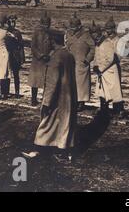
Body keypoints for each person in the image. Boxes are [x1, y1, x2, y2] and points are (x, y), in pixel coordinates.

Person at [23, 29, 78, 162]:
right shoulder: (69, 55)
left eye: (48, 40)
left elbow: (52, 82)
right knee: (65, 124)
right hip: (69, 97)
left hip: (57, 98)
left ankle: (38, 149)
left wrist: (46, 101)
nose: (47, 42)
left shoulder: (55, 58)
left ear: (53, 41)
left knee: (46, 122)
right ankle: (64, 151)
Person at [93, 17, 125, 117]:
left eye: (110, 28)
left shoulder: (119, 40)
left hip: (113, 66)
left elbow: (118, 56)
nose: (107, 31)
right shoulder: (104, 39)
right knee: (103, 89)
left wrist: (107, 63)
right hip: (103, 67)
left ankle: (119, 109)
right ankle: (104, 108)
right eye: (106, 29)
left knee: (116, 89)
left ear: (114, 28)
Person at [65, 13, 95, 111]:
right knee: (72, 83)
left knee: (82, 84)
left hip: (82, 63)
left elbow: (93, 47)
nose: (72, 29)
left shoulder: (86, 35)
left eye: (74, 27)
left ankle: (81, 103)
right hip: (71, 63)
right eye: (71, 27)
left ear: (79, 26)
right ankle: (74, 101)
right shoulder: (69, 34)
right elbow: (67, 46)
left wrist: (88, 59)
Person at [28, 12, 51, 106]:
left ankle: (45, 99)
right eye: (45, 24)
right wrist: (40, 55)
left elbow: (53, 46)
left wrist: (50, 55)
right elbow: (33, 46)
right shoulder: (36, 32)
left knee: (47, 81)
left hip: (47, 59)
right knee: (35, 81)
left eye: (48, 24)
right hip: (37, 61)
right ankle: (33, 99)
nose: (46, 26)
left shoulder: (50, 33)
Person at [6, 14, 25, 98]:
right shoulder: (6, 32)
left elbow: (21, 45)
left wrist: (22, 58)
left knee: (16, 75)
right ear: (8, 23)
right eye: (11, 22)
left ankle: (17, 92)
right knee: (6, 74)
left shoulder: (17, 33)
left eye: (14, 22)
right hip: (7, 55)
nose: (13, 24)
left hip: (15, 56)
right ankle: (6, 91)